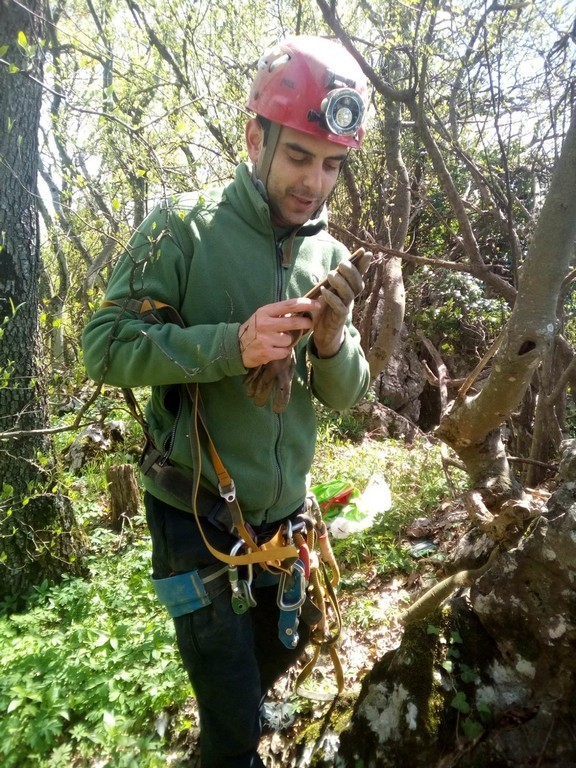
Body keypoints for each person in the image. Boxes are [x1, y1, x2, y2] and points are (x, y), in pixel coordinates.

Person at [82, 34, 371, 768]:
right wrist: (228, 346)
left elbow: (345, 398)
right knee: (234, 725)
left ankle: (236, 718)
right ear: (255, 136)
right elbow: (102, 345)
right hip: (196, 514)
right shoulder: (182, 227)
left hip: (285, 516)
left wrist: (334, 344)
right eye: (299, 155)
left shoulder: (326, 254)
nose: (315, 181)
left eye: (331, 164)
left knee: (284, 647)